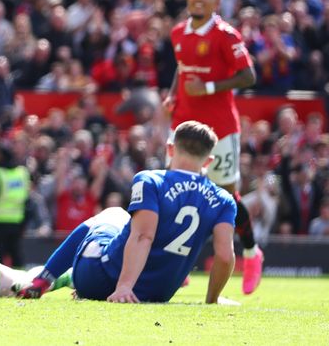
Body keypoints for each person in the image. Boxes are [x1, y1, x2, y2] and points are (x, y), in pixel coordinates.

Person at [18, 121, 238, 304]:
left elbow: (143, 236)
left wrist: (124, 287)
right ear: (208, 161)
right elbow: (225, 256)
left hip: (100, 280)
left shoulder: (151, 180)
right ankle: (60, 278)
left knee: (112, 213)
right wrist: (212, 300)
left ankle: (44, 279)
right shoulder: (224, 199)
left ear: (170, 149)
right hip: (156, 294)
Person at [162, 0, 261, 293]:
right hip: (183, 124)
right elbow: (181, 65)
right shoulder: (178, 32)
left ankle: (251, 252)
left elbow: (248, 76)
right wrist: (173, 94)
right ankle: (176, 264)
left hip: (220, 129)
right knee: (173, 192)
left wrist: (208, 87)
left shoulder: (225, 35)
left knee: (228, 195)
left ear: (217, 2)